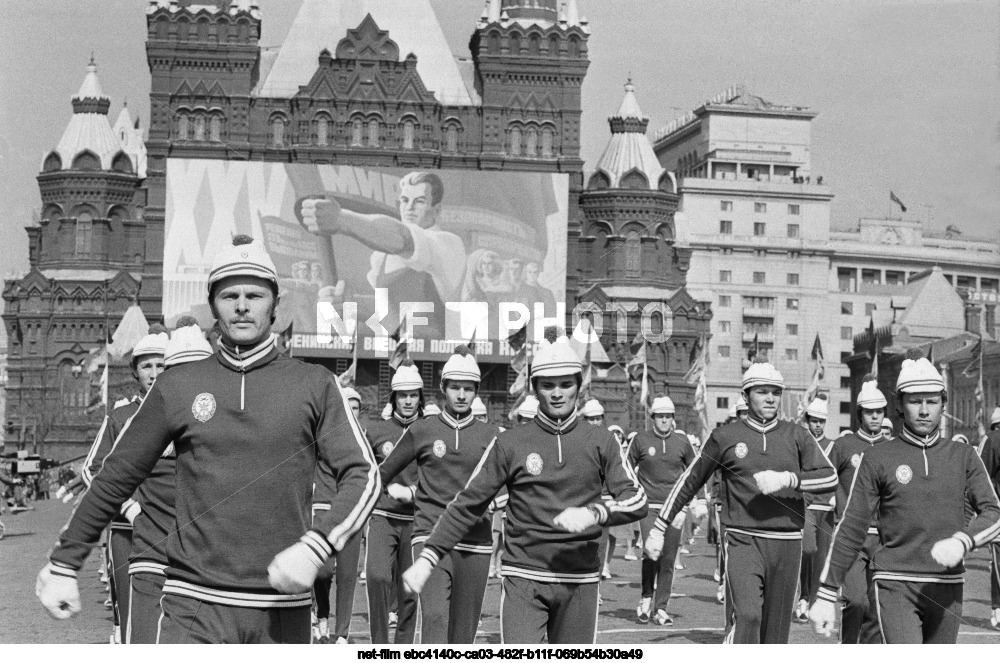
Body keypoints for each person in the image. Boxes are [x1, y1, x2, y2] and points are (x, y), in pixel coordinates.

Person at [35, 235, 380, 644]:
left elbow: (364, 475)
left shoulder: (315, 385)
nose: (241, 305)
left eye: (254, 295)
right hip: (190, 606)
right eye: (229, 295)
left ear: (276, 305)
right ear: (213, 305)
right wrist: (64, 561)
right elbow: (116, 476)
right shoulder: (178, 385)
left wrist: (319, 544)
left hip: (281, 609)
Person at [403, 334, 647, 643]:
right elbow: (468, 503)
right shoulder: (509, 443)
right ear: (535, 388)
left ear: (579, 384)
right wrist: (428, 557)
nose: (557, 394)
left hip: (580, 581)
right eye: (547, 385)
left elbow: (636, 500)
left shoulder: (602, 441)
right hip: (523, 578)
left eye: (565, 384)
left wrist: (596, 513)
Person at [645, 356, 837, 644]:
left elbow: (830, 478)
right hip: (742, 539)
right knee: (748, 616)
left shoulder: (796, 435)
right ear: (746, 396)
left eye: (775, 392)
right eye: (762, 392)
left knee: (775, 636)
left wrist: (790, 479)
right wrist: (660, 526)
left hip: (787, 543)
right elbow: (691, 479)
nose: (770, 398)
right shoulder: (725, 436)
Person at [811, 351, 1000, 643]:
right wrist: (825, 593)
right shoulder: (878, 457)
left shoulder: (964, 456)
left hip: (947, 585)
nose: (924, 411)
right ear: (899, 404)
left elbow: (993, 512)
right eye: (915, 401)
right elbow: (852, 525)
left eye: (932, 401)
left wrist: (964, 540)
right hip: (893, 582)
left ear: (944, 404)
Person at [378, 346, 498, 644]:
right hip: (429, 536)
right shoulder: (423, 430)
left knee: (463, 634)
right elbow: (381, 471)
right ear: (443, 388)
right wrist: (376, 493)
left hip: (476, 542)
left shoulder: (493, 435)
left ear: (476, 392)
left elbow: (507, 485)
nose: (461, 395)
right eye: (455, 387)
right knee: (434, 619)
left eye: (468, 389)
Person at [126, 321, 213, 643]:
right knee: (145, 641)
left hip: (203, 556)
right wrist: (133, 509)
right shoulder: (135, 418)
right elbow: (109, 476)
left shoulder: (224, 419)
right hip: (151, 544)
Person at [80, 327, 168, 644]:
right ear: (135, 371)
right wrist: (129, 508)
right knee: (131, 620)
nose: (155, 373)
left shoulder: (183, 415)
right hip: (128, 533)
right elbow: (92, 470)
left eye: (162, 365)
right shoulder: (121, 415)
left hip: (175, 533)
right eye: (147, 366)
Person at [300, 172, 465, 337]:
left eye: (419, 201)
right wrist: (343, 308)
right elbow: (383, 319)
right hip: (394, 355)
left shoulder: (448, 245)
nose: (409, 208)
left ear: (436, 210)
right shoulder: (381, 256)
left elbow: (404, 239)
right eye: (405, 200)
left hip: (438, 357)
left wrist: (341, 219)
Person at [816, 377, 888, 643]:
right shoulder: (843, 445)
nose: (875, 417)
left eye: (879, 412)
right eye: (869, 412)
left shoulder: (891, 449)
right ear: (859, 415)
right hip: (851, 537)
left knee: (875, 609)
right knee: (856, 601)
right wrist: (831, 501)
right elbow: (821, 475)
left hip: (883, 539)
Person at [363, 361, 423, 645]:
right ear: (394, 398)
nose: (408, 401)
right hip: (382, 517)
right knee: (376, 577)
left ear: (420, 397)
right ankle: (378, 645)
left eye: (413, 395)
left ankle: (403, 647)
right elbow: (364, 472)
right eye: (403, 395)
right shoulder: (377, 431)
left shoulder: (430, 431)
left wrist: (412, 490)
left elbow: (440, 475)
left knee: (410, 588)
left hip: (417, 521)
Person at [629, 395, 699, 626]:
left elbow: (695, 473)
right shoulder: (640, 440)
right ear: (653, 418)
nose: (664, 420)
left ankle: (661, 607)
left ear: (673, 418)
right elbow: (625, 469)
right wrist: (633, 495)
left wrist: (691, 503)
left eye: (668, 416)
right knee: (652, 552)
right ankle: (646, 599)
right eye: (660, 416)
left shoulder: (682, 442)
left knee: (668, 558)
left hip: (674, 510)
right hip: (649, 507)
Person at [312, 386, 366, 644]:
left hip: (353, 511)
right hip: (323, 507)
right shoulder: (322, 433)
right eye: (347, 406)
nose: (351, 412)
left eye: (355, 408)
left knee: (347, 574)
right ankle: (321, 614)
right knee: (322, 572)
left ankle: (342, 633)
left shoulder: (366, 438)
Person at [795, 397, 835, 624]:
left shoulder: (833, 445)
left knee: (821, 557)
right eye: (814, 421)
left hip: (827, 508)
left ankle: (811, 601)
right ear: (807, 420)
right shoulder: (801, 444)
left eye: (821, 421)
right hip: (806, 507)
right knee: (807, 549)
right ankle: (803, 596)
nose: (817, 425)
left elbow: (841, 476)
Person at [976, 406, 1000, 629]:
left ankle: (998, 609)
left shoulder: (990, 440)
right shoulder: (994, 440)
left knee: (999, 563)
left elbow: (982, 477)